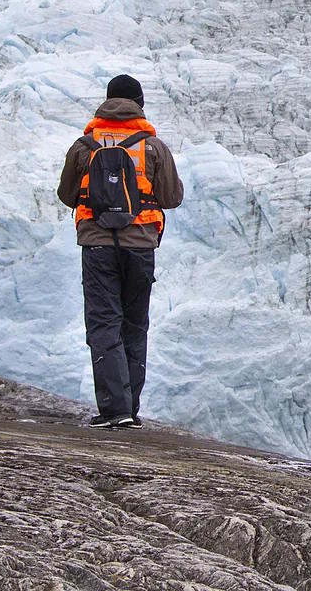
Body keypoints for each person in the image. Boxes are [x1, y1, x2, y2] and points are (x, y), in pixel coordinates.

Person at [57, 74, 184, 429]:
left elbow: (67, 195)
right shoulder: (152, 147)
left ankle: (115, 409)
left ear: (108, 103)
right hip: (140, 245)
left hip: (97, 245)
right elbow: (172, 197)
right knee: (134, 325)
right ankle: (130, 407)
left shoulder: (85, 145)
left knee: (103, 323)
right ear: (139, 104)